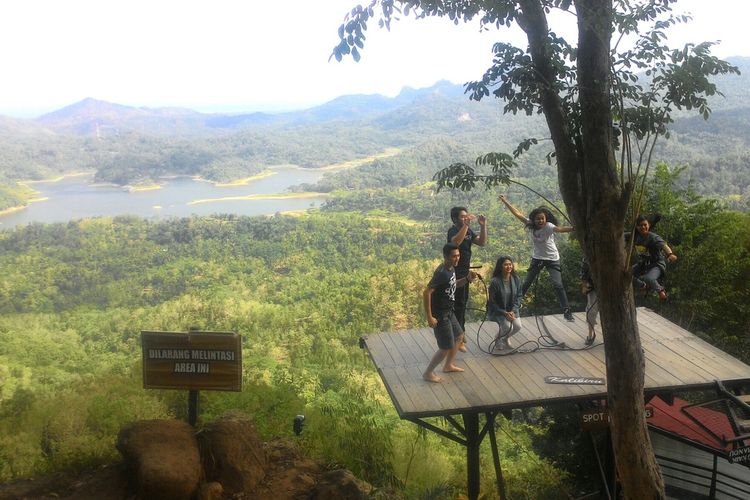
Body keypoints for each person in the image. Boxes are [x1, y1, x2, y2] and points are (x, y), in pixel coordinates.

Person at [498, 194, 575, 321]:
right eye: (538, 219)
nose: (540, 221)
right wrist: (505, 201)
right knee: (527, 283)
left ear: (546, 219)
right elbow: (517, 213)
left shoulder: (549, 226)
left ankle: (567, 310)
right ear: (534, 220)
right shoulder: (530, 225)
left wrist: (573, 228)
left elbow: (560, 229)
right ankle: (514, 307)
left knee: (558, 285)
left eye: (542, 218)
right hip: (538, 258)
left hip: (552, 259)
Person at [422, 242, 477, 383]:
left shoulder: (451, 269)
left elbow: (453, 285)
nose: (457, 258)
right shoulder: (441, 272)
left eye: (458, 255)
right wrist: (430, 317)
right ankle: (428, 373)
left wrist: (466, 279)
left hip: (449, 311)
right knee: (445, 347)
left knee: (459, 336)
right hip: (440, 315)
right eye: (454, 256)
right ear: (446, 257)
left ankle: (448, 365)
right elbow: (427, 292)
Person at [447, 207, 487, 345]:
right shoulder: (453, 230)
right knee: (455, 304)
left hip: (465, 271)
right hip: (454, 271)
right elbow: (455, 243)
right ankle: (455, 335)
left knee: (462, 303)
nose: (465, 218)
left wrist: (483, 226)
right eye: (462, 217)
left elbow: (481, 242)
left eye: (466, 216)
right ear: (454, 219)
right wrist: (466, 225)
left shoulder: (468, 230)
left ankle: (460, 334)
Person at [628, 214, 678, 300]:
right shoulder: (634, 236)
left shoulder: (653, 237)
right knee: (626, 274)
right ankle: (643, 286)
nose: (643, 227)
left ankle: (661, 291)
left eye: (645, 225)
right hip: (644, 264)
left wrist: (670, 254)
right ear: (636, 227)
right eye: (640, 225)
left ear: (649, 225)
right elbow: (620, 235)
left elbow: (664, 245)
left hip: (656, 264)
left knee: (649, 278)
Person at [487, 256, 523, 352]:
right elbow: (492, 302)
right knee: (507, 327)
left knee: (517, 326)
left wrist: (513, 310)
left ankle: (504, 338)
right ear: (500, 266)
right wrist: (504, 313)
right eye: (506, 264)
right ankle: (498, 339)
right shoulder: (495, 282)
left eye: (510, 264)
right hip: (499, 310)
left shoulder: (516, 279)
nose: (509, 267)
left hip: (512, 310)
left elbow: (519, 296)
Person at [580, 258, 598, 346]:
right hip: (593, 286)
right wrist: (584, 285)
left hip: (609, 287)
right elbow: (584, 270)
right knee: (591, 310)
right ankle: (590, 334)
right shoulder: (588, 253)